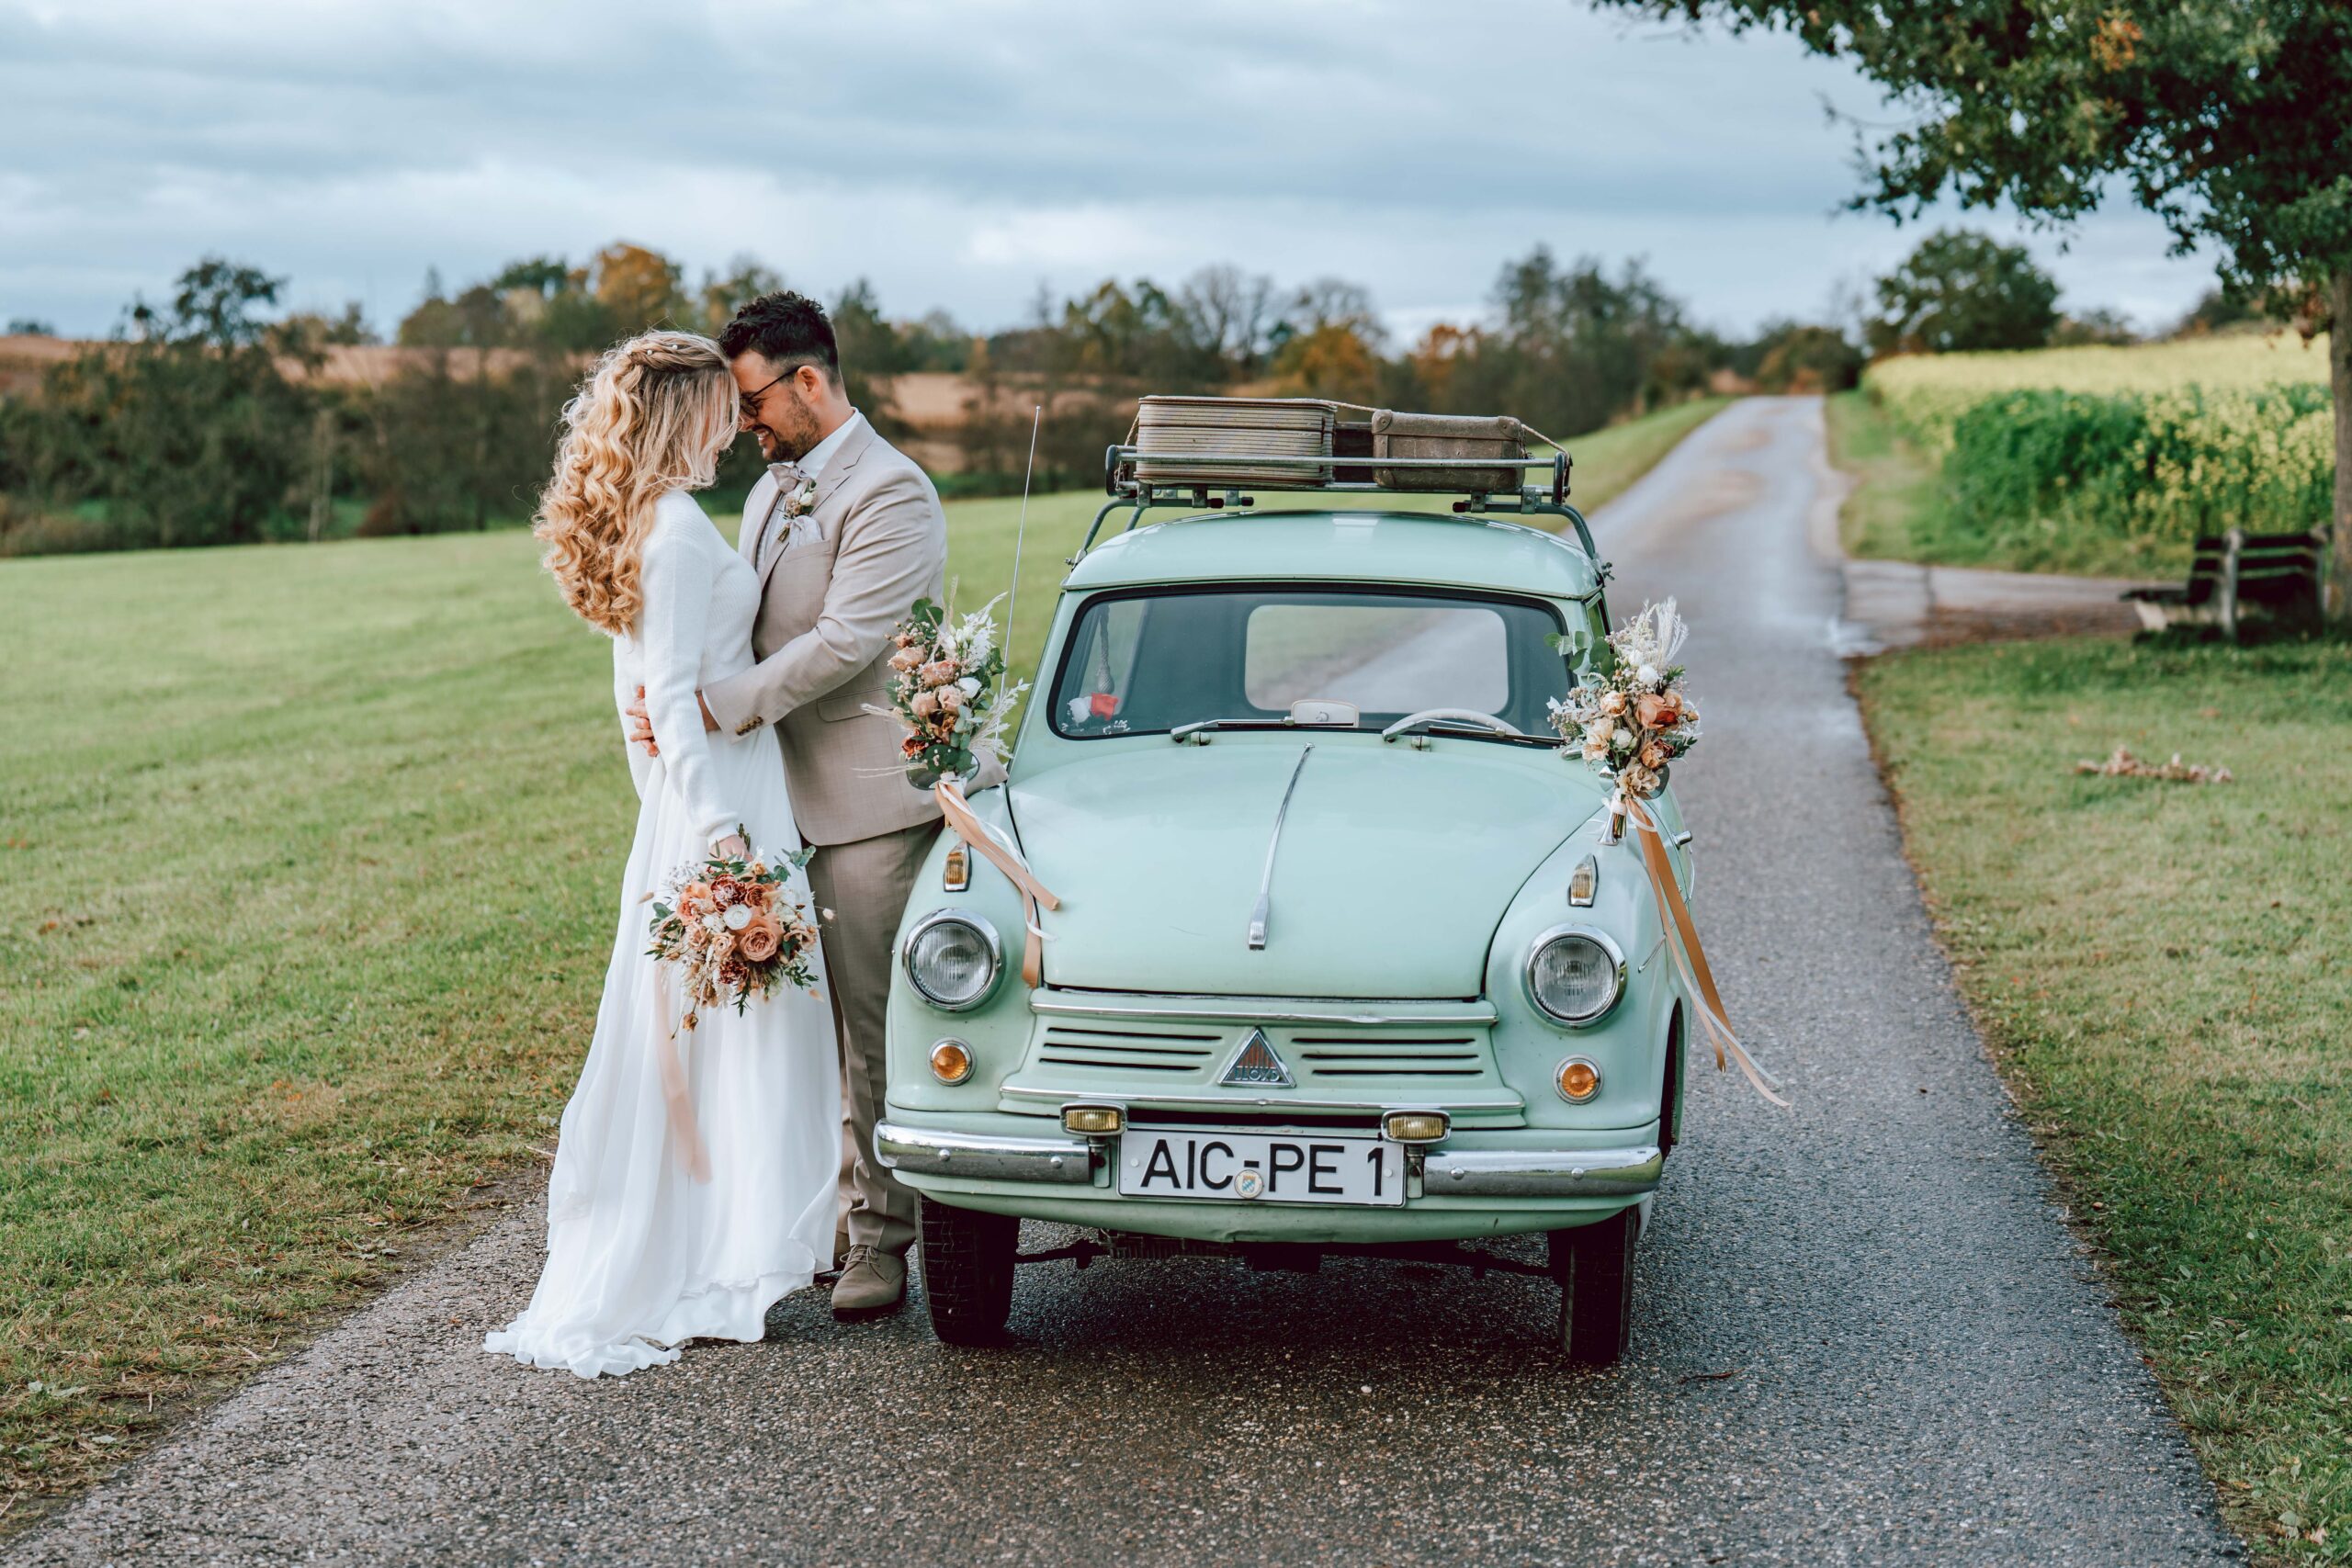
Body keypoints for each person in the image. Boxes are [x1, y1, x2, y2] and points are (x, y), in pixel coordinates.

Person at [485, 331, 837, 1377]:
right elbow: (671, 708)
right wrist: (718, 840)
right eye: (723, 406)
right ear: (687, 414)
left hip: (694, 807)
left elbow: (632, 703)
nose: (738, 422)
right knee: (729, 1044)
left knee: (710, 1044)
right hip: (722, 807)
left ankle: (726, 1249)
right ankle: (709, 1262)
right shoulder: (678, 534)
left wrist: (664, 816)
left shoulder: (651, 520)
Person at [625, 291, 951, 1319]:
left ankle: (881, 1242)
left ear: (809, 380)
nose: (745, 421)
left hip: (861, 804)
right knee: (791, 1033)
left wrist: (714, 706)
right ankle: (813, 1215)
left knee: (867, 1029)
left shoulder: (892, 492)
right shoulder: (772, 490)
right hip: (770, 797)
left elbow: (848, 640)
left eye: (755, 398)